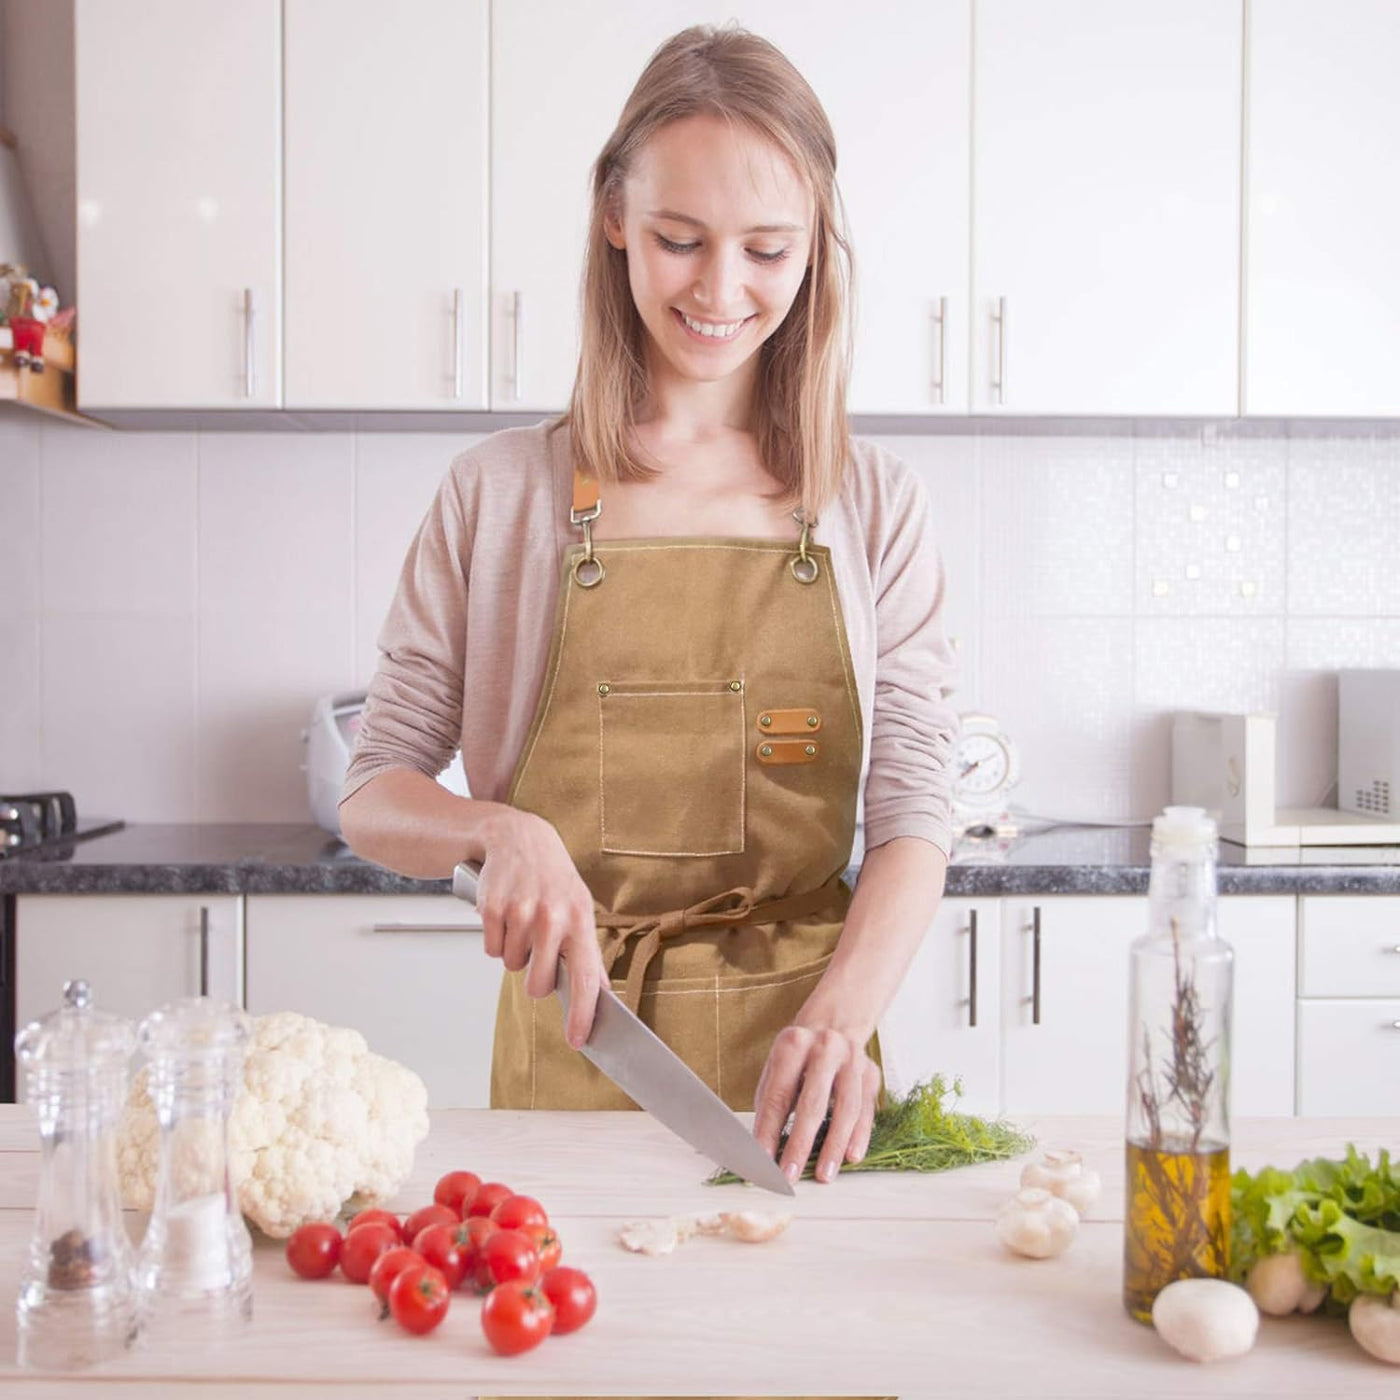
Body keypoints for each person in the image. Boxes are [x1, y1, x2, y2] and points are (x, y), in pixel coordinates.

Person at [339, 22, 957, 1190]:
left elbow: (916, 806)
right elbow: (373, 788)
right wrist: (496, 829)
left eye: (767, 249)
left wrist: (842, 1017)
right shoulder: (500, 494)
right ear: (614, 216)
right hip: (572, 1075)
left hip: (804, 1087)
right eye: (680, 239)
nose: (720, 290)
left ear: (816, 247)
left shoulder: (874, 502)